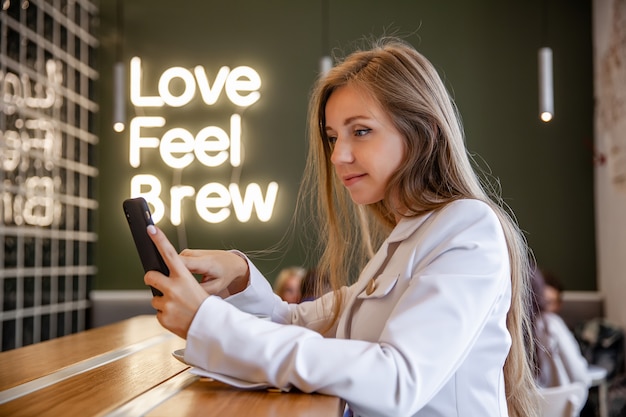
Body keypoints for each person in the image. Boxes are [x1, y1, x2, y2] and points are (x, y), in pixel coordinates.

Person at [143, 37, 539, 416]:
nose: (338, 156)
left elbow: (397, 380)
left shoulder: (465, 228)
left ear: (424, 132)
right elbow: (304, 324)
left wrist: (206, 321)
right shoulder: (403, 240)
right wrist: (241, 278)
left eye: (361, 131)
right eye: (333, 137)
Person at [530, 267, 590, 390]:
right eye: (543, 301)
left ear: (559, 305)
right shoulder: (551, 324)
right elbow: (580, 376)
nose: (544, 307)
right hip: (559, 401)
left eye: (549, 302)